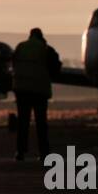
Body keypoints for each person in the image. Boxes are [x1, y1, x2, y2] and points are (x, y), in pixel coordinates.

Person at [12, 27, 62, 161]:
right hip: (39, 91)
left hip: (21, 90)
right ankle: (44, 153)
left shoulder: (20, 47)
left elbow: (12, 64)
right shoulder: (46, 49)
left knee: (23, 122)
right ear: (41, 36)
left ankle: (20, 152)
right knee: (41, 123)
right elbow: (56, 67)